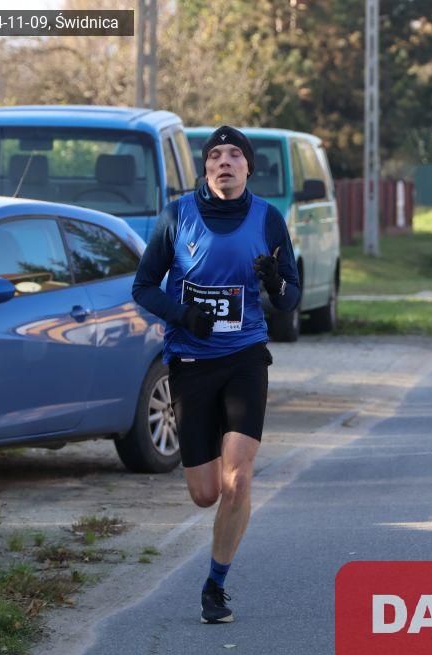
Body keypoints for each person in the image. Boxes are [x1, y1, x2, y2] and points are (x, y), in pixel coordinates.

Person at [131, 125, 301, 624]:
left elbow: (290, 298)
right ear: (205, 168)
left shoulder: (268, 218)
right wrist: (184, 316)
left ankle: (215, 586)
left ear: (249, 167)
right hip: (190, 363)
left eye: (234, 155)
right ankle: (215, 566)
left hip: (246, 357)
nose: (224, 161)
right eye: (215, 156)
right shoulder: (176, 216)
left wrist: (275, 283)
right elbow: (144, 287)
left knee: (238, 479)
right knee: (205, 493)